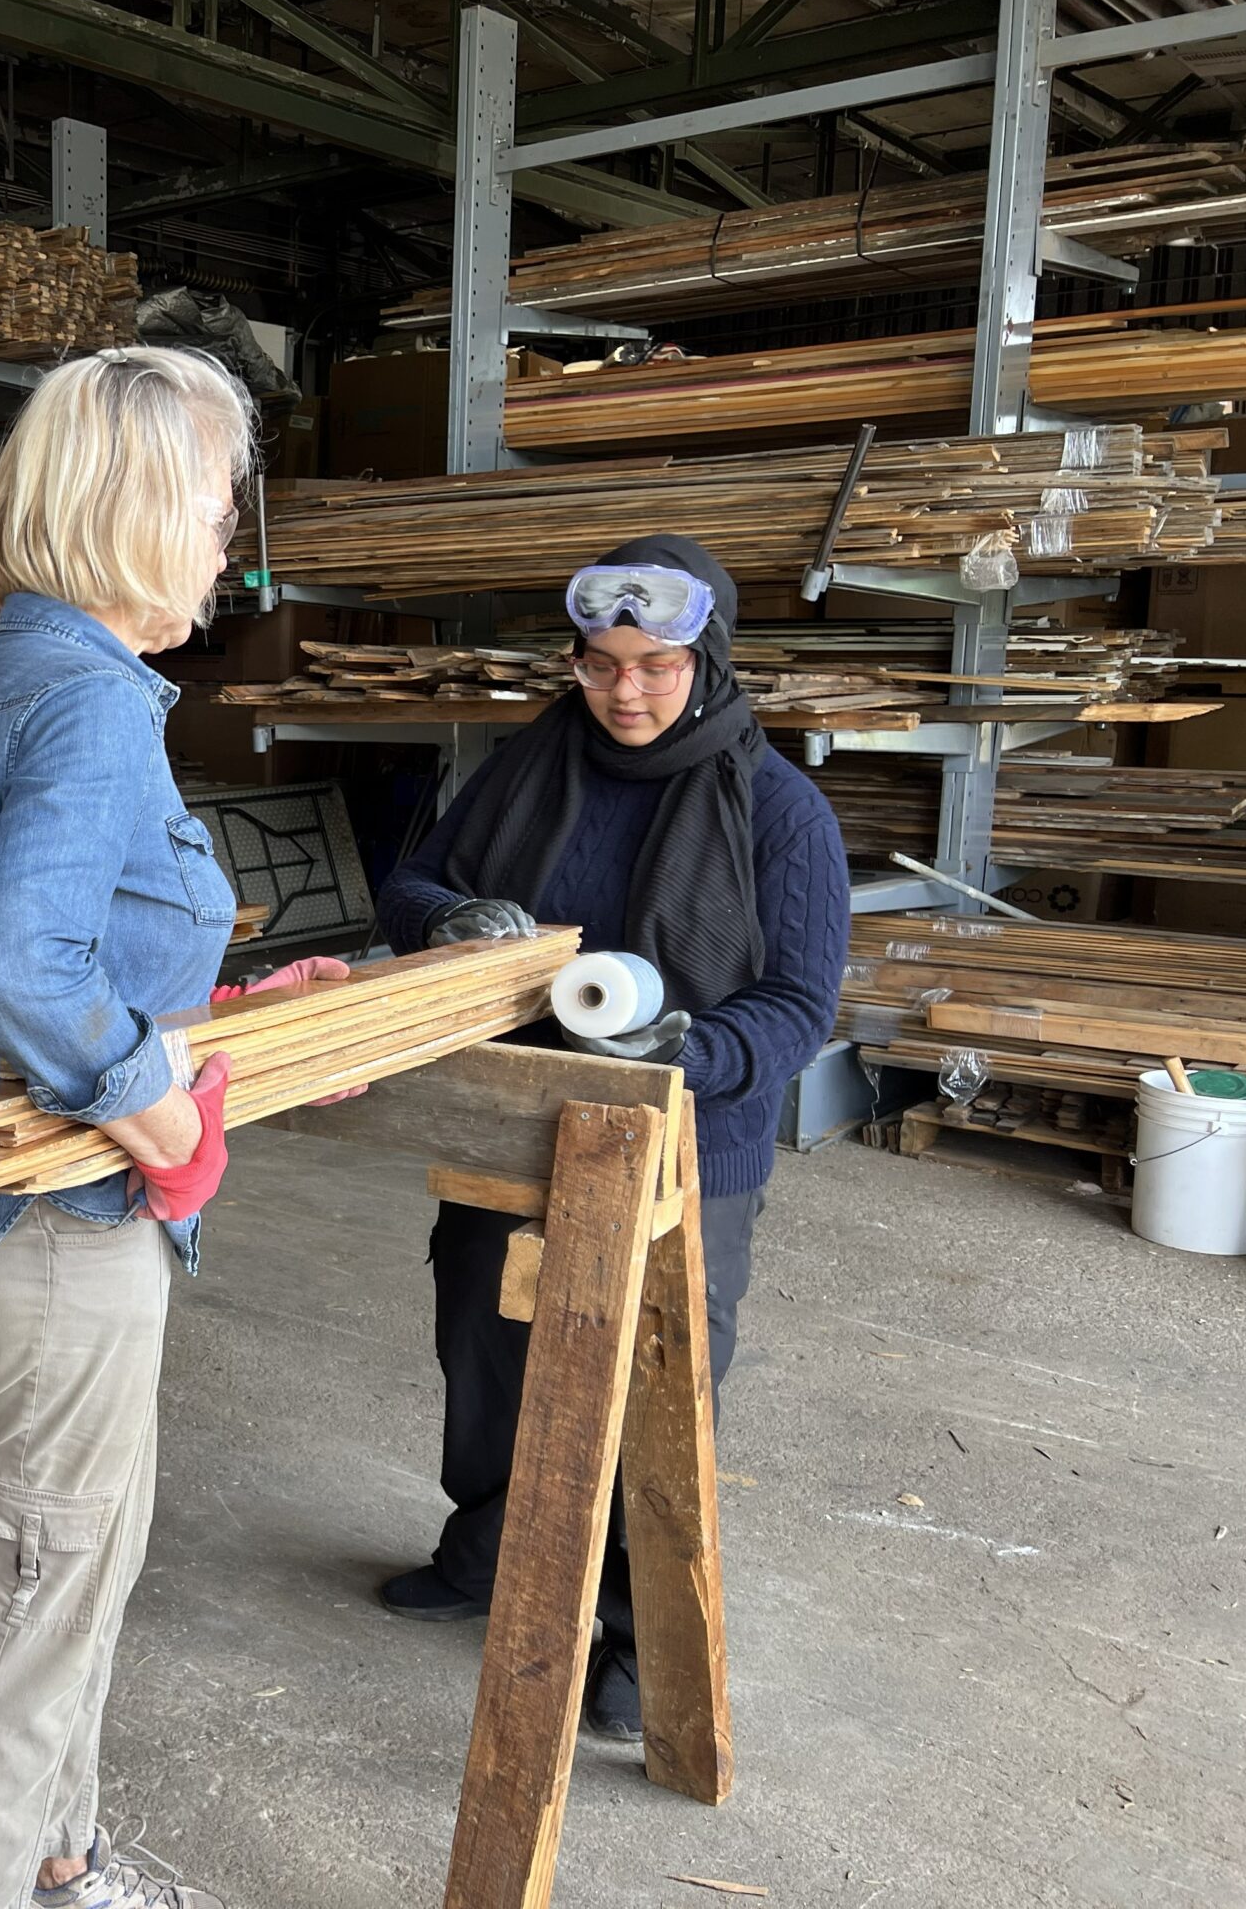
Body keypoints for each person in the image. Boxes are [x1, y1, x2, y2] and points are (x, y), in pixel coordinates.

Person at [0, 348, 336, 1909]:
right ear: (134, 515)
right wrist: (153, 1112)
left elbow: (83, 933)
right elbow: (18, 958)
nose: (226, 544)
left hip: (43, 1215)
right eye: (211, 508)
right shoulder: (86, 701)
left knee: (73, 1577)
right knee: (24, 1609)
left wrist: (235, 1010)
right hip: (45, 1227)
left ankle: (57, 1864)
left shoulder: (23, 668)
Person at [371, 534, 849, 1740]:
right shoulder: (529, 765)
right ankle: (486, 1548)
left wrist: (678, 1056)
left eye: (655, 666)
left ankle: (636, 1634)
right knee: (480, 1345)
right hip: (511, 1112)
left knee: (658, 1387)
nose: (623, 692)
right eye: (596, 664)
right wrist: (455, 918)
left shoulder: (778, 814)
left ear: (710, 660)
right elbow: (411, 883)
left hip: (688, 1143)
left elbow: (796, 1007)